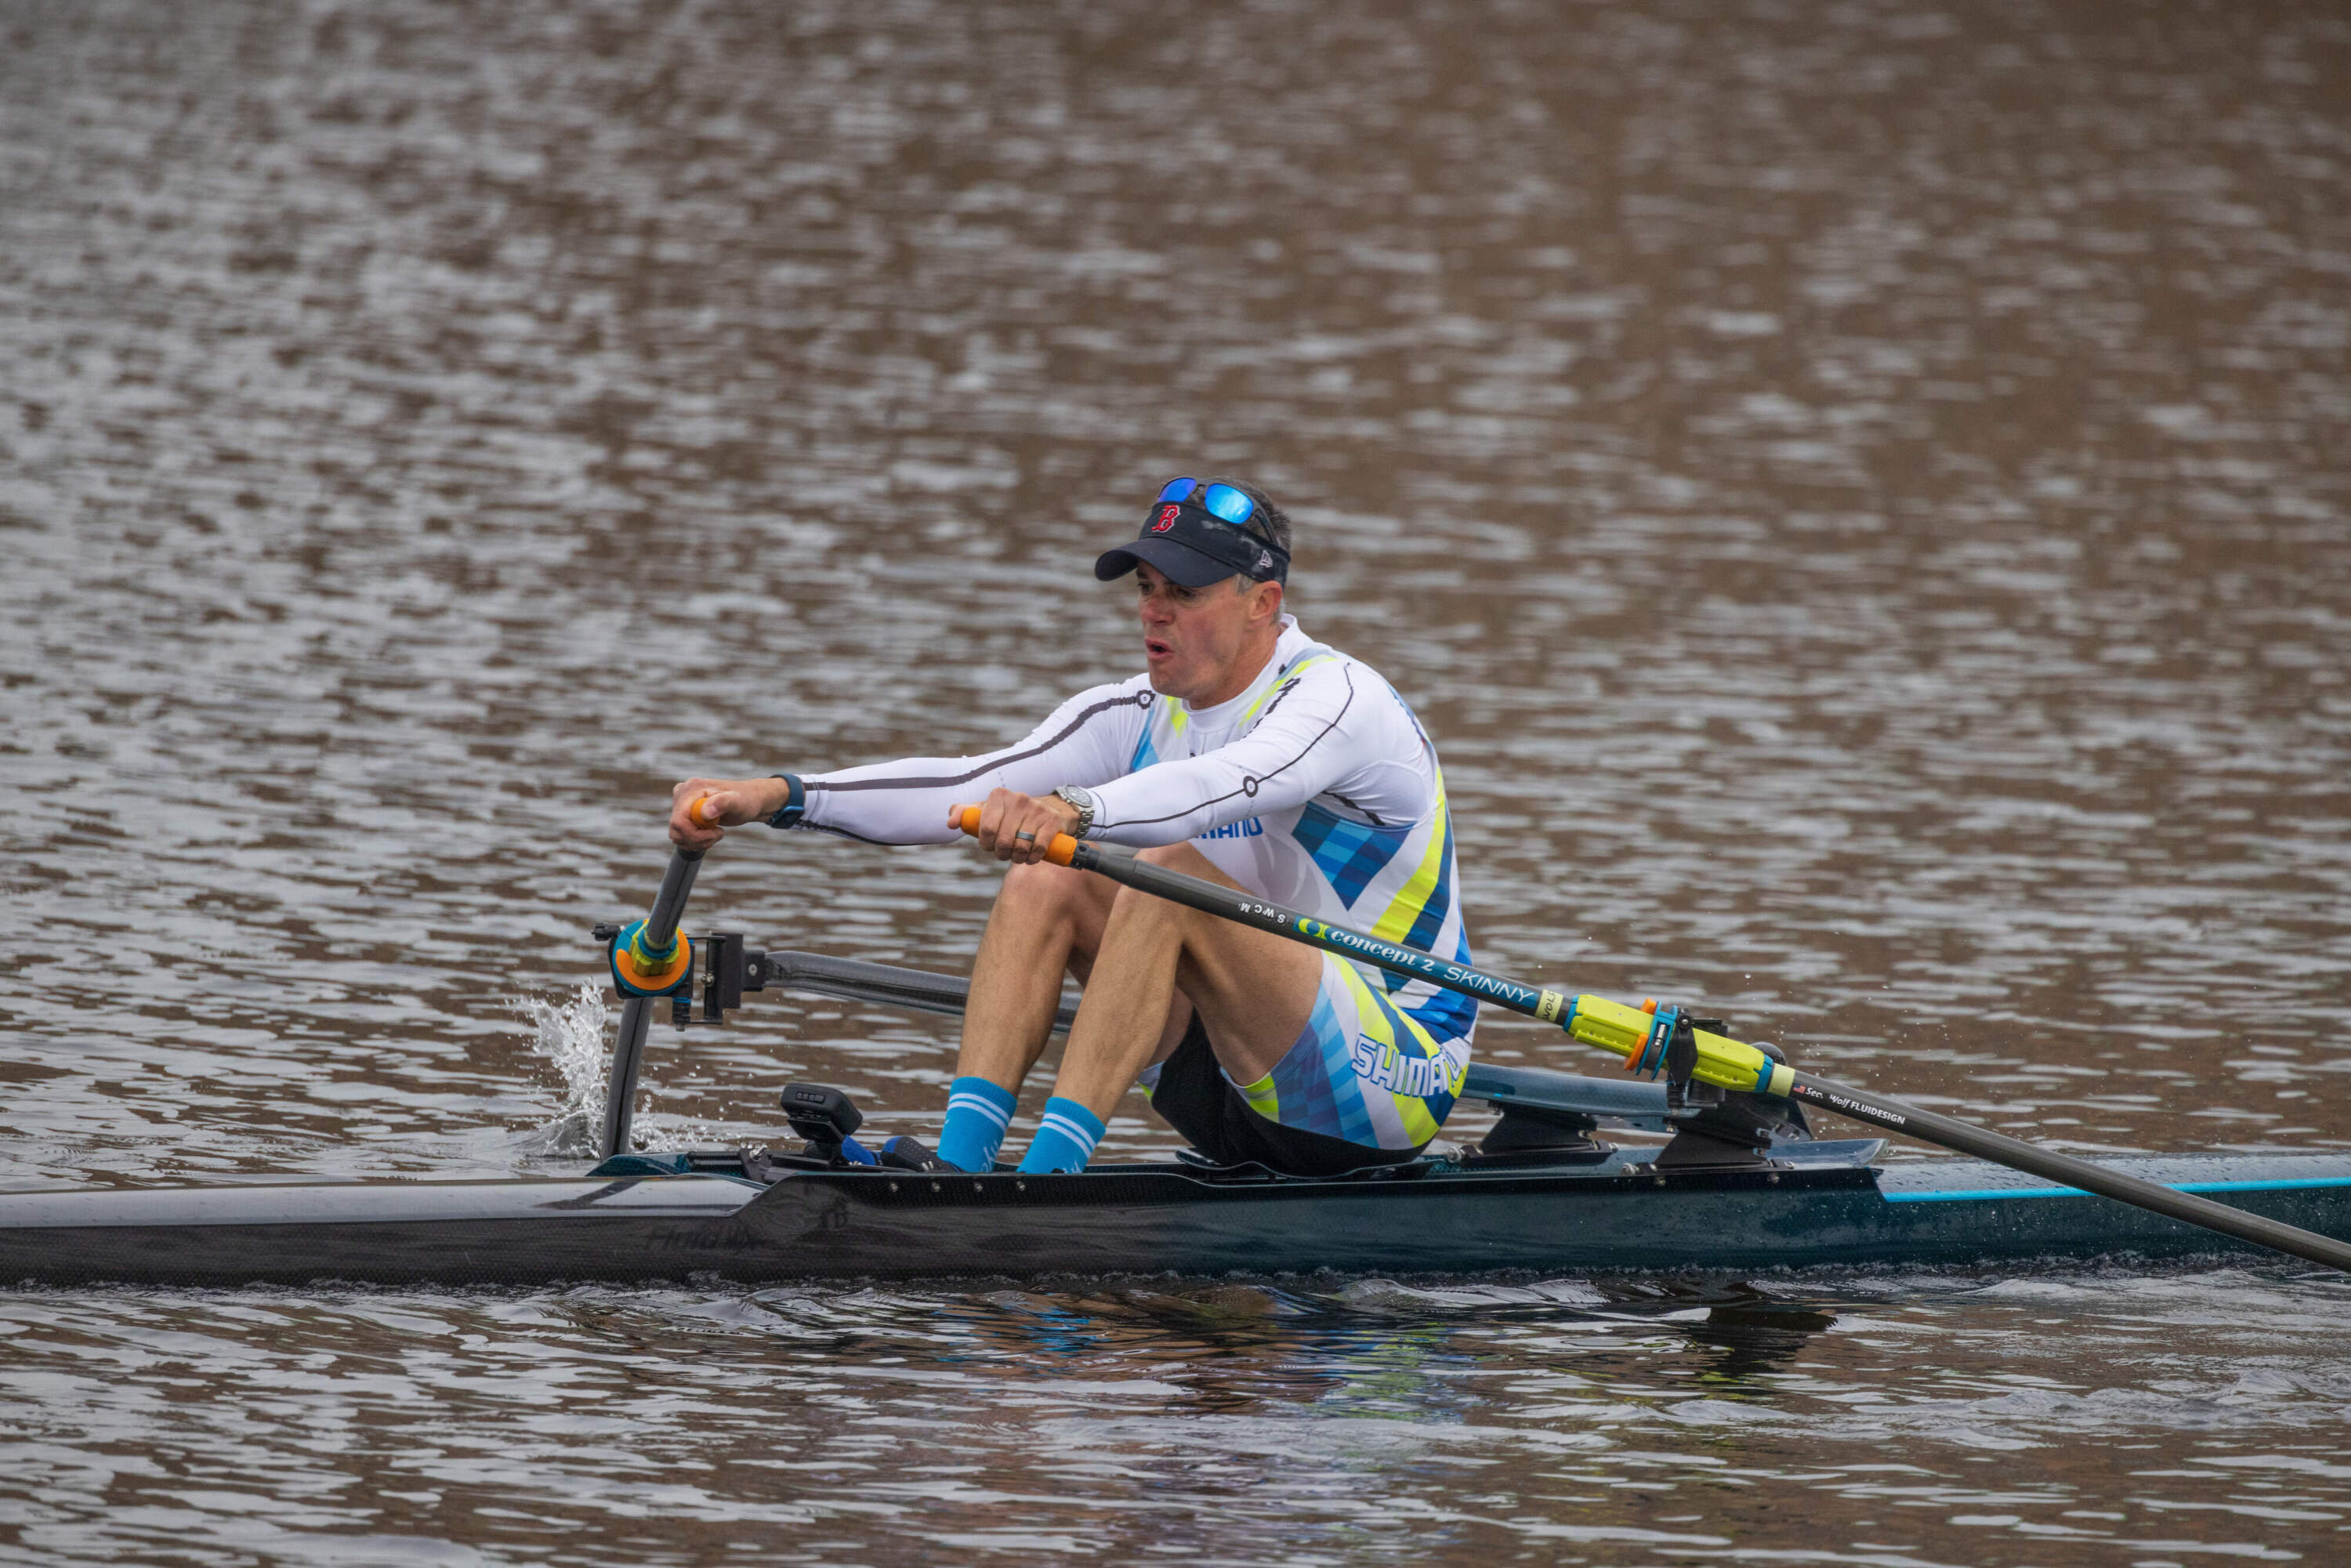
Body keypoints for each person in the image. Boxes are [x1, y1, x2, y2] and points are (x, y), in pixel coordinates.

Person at [668, 476, 1475, 1176]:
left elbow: (1223, 785)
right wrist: (775, 796)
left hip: (1387, 1076)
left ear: (1264, 604)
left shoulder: (1338, 700)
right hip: (1234, 1067)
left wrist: (1075, 808)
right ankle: (964, 1166)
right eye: (1146, 588)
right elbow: (963, 784)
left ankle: (1049, 1177)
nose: (1154, 613)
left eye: (1184, 594)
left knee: (1167, 872)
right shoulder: (1132, 711)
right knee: (1047, 873)